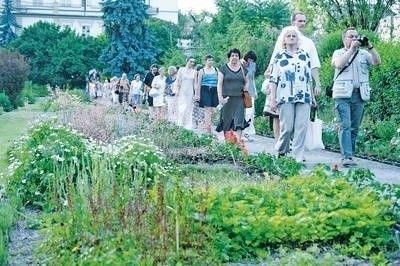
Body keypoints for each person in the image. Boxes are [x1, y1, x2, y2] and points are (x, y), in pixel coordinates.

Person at [331, 27, 381, 167]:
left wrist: (370, 46)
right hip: (342, 95)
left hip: (359, 95)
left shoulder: (364, 54)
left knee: (354, 127)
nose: (354, 39)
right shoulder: (338, 53)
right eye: (350, 36)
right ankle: (346, 156)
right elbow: (339, 64)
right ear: (344, 39)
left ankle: (350, 154)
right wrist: (351, 50)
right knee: (345, 125)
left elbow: (377, 62)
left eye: (356, 36)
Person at [269, 26, 314, 162]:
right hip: (285, 95)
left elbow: (309, 78)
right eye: (288, 36)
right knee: (287, 127)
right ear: (284, 39)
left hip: (303, 95)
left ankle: (297, 156)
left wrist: (312, 96)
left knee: (301, 127)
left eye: (294, 36)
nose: (291, 38)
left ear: (297, 39)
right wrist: (272, 99)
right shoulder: (279, 56)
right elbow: (273, 79)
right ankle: (281, 150)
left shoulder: (304, 55)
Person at [217, 48, 250, 141]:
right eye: (232, 56)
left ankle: (238, 142)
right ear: (229, 57)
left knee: (239, 120)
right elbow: (219, 84)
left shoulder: (243, 69)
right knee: (226, 121)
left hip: (239, 99)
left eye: (236, 56)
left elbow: (248, 81)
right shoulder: (223, 68)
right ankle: (228, 142)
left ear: (239, 57)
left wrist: (246, 87)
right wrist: (220, 97)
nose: (234, 57)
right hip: (226, 99)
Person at [195, 54, 219, 133]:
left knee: (214, 111)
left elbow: (219, 82)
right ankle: (208, 129)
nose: (211, 62)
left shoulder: (216, 69)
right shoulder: (202, 71)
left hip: (214, 90)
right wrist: (197, 95)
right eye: (209, 60)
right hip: (205, 90)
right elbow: (198, 84)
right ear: (205, 61)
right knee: (207, 110)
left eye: (212, 60)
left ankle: (207, 123)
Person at [174, 56, 197, 130]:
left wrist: (195, 94)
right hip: (182, 91)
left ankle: (187, 126)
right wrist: (177, 91)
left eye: (193, 62)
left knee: (189, 108)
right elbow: (177, 81)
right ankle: (180, 124)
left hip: (190, 92)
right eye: (191, 61)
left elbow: (195, 84)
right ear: (187, 61)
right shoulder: (181, 70)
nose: (192, 63)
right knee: (182, 107)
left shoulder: (194, 71)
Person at [241, 51, 258, 141]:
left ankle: (247, 132)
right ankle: (240, 131)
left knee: (250, 112)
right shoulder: (239, 63)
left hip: (250, 91)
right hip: (240, 91)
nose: (250, 61)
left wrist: (255, 91)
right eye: (250, 59)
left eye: (252, 60)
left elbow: (252, 78)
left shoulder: (253, 65)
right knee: (241, 112)